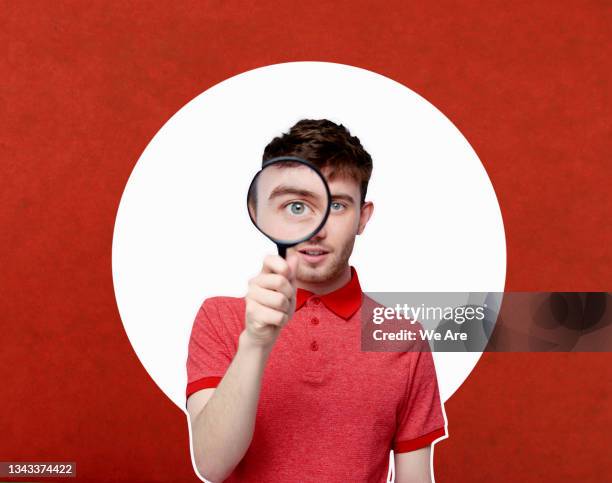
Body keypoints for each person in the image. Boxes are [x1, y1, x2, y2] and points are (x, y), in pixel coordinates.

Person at [185, 119, 447, 482]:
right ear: (262, 213)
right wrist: (255, 343)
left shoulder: (404, 337)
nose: (318, 228)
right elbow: (212, 465)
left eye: (337, 206)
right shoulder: (221, 318)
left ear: (363, 217)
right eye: (296, 207)